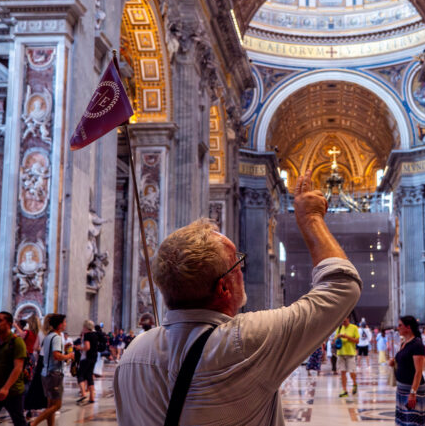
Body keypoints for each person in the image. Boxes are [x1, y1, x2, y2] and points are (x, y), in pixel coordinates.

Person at [113, 169, 361, 424]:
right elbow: (342, 284)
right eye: (237, 264)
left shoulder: (132, 355)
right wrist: (311, 219)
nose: (242, 269)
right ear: (223, 288)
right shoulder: (247, 340)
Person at [31, 314, 75, 426]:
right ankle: (33, 423)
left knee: (50, 405)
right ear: (60, 325)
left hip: (46, 373)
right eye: (64, 322)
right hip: (54, 374)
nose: (66, 324)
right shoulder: (56, 337)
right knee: (57, 405)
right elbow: (56, 356)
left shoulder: (49, 336)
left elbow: (53, 352)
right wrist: (69, 356)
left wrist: (63, 350)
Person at [389, 316, 425, 426]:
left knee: (412, 421)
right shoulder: (404, 343)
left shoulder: (417, 344)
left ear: (408, 327)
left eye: (400, 325)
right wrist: (393, 362)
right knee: (403, 421)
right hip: (402, 388)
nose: (398, 328)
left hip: (412, 389)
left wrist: (413, 393)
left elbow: (418, 371)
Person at [335, 316, 360, 397]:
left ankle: (354, 383)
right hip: (341, 353)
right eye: (342, 321)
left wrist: (347, 337)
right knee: (342, 372)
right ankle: (344, 390)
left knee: (351, 371)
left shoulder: (354, 328)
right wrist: (338, 337)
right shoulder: (339, 328)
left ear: (348, 319)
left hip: (350, 353)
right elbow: (334, 340)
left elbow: (357, 341)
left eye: (345, 321)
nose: (343, 323)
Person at [74, 320, 98, 405]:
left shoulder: (87, 335)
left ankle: (83, 394)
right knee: (89, 376)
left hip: (86, 358)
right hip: (94, 358)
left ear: (86, 327)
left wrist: (79, 348)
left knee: (80, 375)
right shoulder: (95, 334)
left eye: (83, 327)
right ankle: (92, 397)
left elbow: (87, 347)